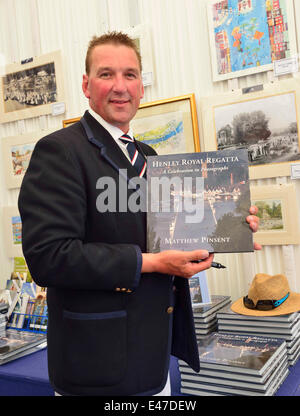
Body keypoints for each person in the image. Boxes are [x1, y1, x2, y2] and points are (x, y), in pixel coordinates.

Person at [18, 31, 260, 396]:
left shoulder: (149, 156)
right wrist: (153, 264)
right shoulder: (59, 152)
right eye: (106, 74)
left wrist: (228, 225)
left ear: (141, 87)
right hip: (97, 366)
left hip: (153, 357)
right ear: (86, 85)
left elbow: (170, 237)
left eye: (130, 75)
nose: (120, 87)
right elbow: (49, 258)